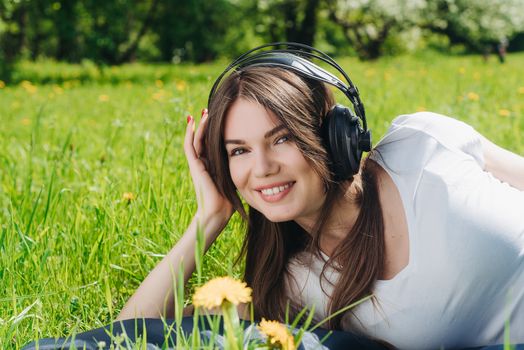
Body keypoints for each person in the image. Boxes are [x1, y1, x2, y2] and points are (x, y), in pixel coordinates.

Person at [116, 43, 524, 349]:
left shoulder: (424, 142)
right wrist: (209, 218)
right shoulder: (292, 287)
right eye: (238, 150)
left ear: (333, 137)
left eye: (282, 138)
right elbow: (129, 336)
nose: (261, 168)